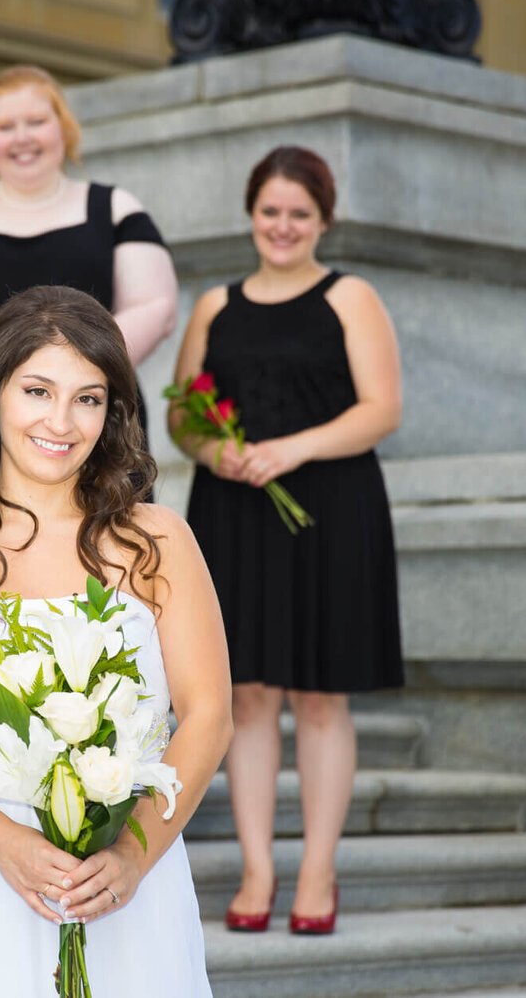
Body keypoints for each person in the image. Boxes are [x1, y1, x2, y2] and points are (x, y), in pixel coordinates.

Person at [0, 285, 232, 996]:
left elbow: (209, 713)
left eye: (88, 399)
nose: (61, 421)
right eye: (38, 391)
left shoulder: (157, 540)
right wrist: (12, 848)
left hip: (125, 881)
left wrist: (130, 854)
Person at [0, 63, 180, 856]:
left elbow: (155, 301)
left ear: (64, 130)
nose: (22, 137)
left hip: (84, 427)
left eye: (37, 121)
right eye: (5, 124)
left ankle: (108, 775)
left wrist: (78, 382)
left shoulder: (113, 208)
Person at [170, 146, 404, 936]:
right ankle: (258, 867)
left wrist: (292, 449)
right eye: (270, 211)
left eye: (300, 213)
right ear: (250, 214)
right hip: (234, 509)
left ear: (324, 220)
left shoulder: (351, 297)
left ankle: (317, 869)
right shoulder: (214, 306)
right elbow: (181, 413)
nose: (283, 226)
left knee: (320, 694)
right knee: (246, 694)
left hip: (332, 505)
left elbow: (382, 409)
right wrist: (216, 451)